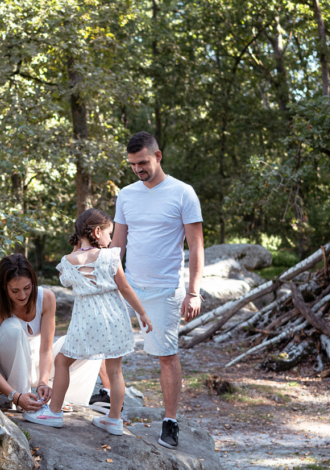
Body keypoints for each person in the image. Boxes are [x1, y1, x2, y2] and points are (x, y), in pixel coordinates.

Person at [111, 131, 204, 449]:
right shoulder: (126, 195)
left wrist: (194, 291)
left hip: (165, 290)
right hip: (129, 287)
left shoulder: (183, 193)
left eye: (143, 162)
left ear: (158, 156)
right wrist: (105, 280)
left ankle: (170, 421)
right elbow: (117, 245)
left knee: (166, 356)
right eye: (133, 164)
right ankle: (113, 411)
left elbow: (196, 245)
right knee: (108, 347)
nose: (138, 169)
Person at [22, 209, 152, 435]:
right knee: (115, 371)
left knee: (63, 362)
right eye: (108, 233)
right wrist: (142, 313)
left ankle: (53, 412)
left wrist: (78, 245)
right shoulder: (111, 256)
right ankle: (114, 420)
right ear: (97, 231)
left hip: (87, 319)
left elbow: (66, 281)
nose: (111, 239)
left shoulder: (69, 261)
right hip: (114, 316)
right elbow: (124, 287)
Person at [0, 254, 101, 413]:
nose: (23, 295)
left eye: (27, 288)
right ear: (4, 287)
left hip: (39, 367)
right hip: (13, 373)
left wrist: (43, 383)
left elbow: (46, 348)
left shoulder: (46, 297)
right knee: (12, 328)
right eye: (15, 291)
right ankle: (25, 400)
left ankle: (61, 399)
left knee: (87, 340)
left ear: (33, 282)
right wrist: (15, 396)